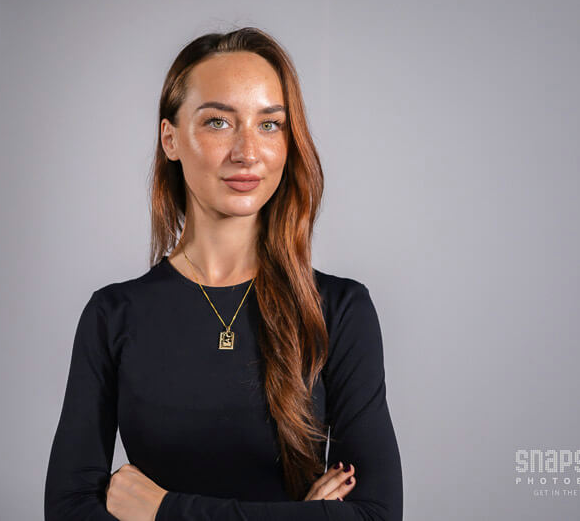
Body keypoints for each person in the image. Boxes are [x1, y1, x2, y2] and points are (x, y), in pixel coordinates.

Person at [44, 26, 403, 521]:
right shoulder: (113, 315)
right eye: (218, 122)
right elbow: (68, 510)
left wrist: (164, 511)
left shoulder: (338, 312)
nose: (247, 152)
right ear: (170, 138)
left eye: (269, 125)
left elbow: (375, 515)